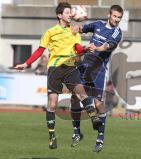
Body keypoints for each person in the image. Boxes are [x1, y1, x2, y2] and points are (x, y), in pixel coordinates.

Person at [14, 2, 102, 149]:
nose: (70, 15)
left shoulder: (74, 31)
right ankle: (52, 136)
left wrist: (85, 49)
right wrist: (26, 63)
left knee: (81, 92)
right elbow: (40, 50)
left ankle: (94, 118)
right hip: (55, 69)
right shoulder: (50, 32)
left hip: (70, 67)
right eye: (67, 13)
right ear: (60, 15)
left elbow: (77, 48)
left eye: (71, 12)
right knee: (52, 104)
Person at [70, 5, 123, 152]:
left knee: (98, 103)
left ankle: (100, 137)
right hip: (85, 65)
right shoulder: (98, 24)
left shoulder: (117, 32)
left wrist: (96, 48)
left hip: (99, 70)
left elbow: (107, 46)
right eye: (115, 16)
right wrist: (75, 26)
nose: (117, 20)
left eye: (119, 17)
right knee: (75, 97)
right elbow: (82, 29)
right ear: (109, 15)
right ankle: (77, 132)